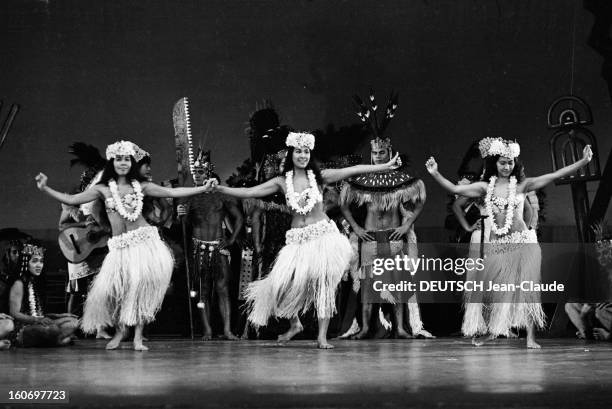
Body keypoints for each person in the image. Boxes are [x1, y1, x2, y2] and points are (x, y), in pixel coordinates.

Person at [214, 131, 402, 348]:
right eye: (298, 151)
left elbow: (353, 169)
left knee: (324, 287)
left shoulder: (320, 176)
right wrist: (220, 188)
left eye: (305, 151)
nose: (302, 155)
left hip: (322, 238)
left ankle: (321, 337)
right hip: (296, 242)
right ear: (291, 154)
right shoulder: (282, 182)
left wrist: (383, 166)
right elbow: (250, 192)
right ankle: (295, 324)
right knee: (279, 285)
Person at [36, 140, 216, 351]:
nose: (123, 163)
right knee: (115, 292)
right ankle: (121, 331)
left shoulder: (143, 186)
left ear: (132, 162)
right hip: (119, 247)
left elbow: (173, 193)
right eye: (118, 159)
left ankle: (137, 336)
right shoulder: (103, 189)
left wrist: (203, 188)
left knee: (140, 290)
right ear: (112, 161)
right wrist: (45, 188)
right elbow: (74, 198)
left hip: (144, 243)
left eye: (127, 159)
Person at [426, 137, 593, 348]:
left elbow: (555, 175)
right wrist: (435, 173)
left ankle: (531, 338)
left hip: (523, 243)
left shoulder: (522, 185)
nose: (507, 166)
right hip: (498, 246)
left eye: (511, 162)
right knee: (486, 293)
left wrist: (583, 162)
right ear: (494, 163)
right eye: (503, 162)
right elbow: (455, 190)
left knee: (528, 291)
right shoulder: (484, 187)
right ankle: (492, 331)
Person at [340, 135, 433, 339]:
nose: (378, 156)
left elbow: (421, 198)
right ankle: (365, 328)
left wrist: (407, 224)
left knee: (397, 284)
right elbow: (343, 202)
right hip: (370, 238)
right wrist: (356, 227)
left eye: (382, 152)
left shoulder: (400, 179)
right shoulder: (362, 179)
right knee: (367, 285)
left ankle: (399, 327)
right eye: (375, 153)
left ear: (389, 153)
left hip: (393, 238)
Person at [176, 149, 243, 340]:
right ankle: (207, 330)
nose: (198, 176)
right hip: (198, 247)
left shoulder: (221, 195)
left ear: (208, 174)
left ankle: (228, 330)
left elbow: (238, 218)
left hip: (219, 246)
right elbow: (185, 224)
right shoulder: (188, 196)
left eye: (201, 172)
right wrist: (181, 214)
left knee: (222, 289)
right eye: (195, 172)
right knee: (203, 290)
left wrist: (230, 240)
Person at [8, 243, 79, 347]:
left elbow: (39, 313)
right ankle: (60, 340)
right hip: (24, 328)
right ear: (26, 263)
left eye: (41, 261)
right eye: (34, 261)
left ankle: (57, 340)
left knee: (73, 322)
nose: (39, 265)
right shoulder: (18, 283)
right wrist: (37, 320)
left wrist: (57, 316)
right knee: (52, 329)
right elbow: (14, 313)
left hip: (39, 324)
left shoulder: (35, 281)